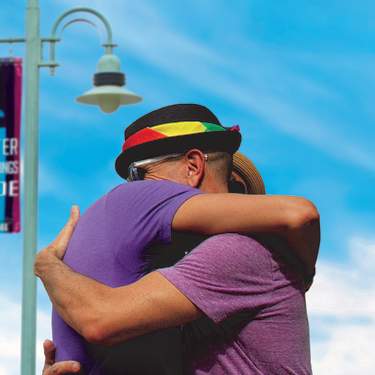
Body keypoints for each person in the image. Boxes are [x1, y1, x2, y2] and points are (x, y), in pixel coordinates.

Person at [36, 104, 319, 374]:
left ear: (193, 167)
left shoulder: (240, 251)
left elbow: (100, 319)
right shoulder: (185, 289)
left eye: (139, 177)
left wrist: (48, 266)